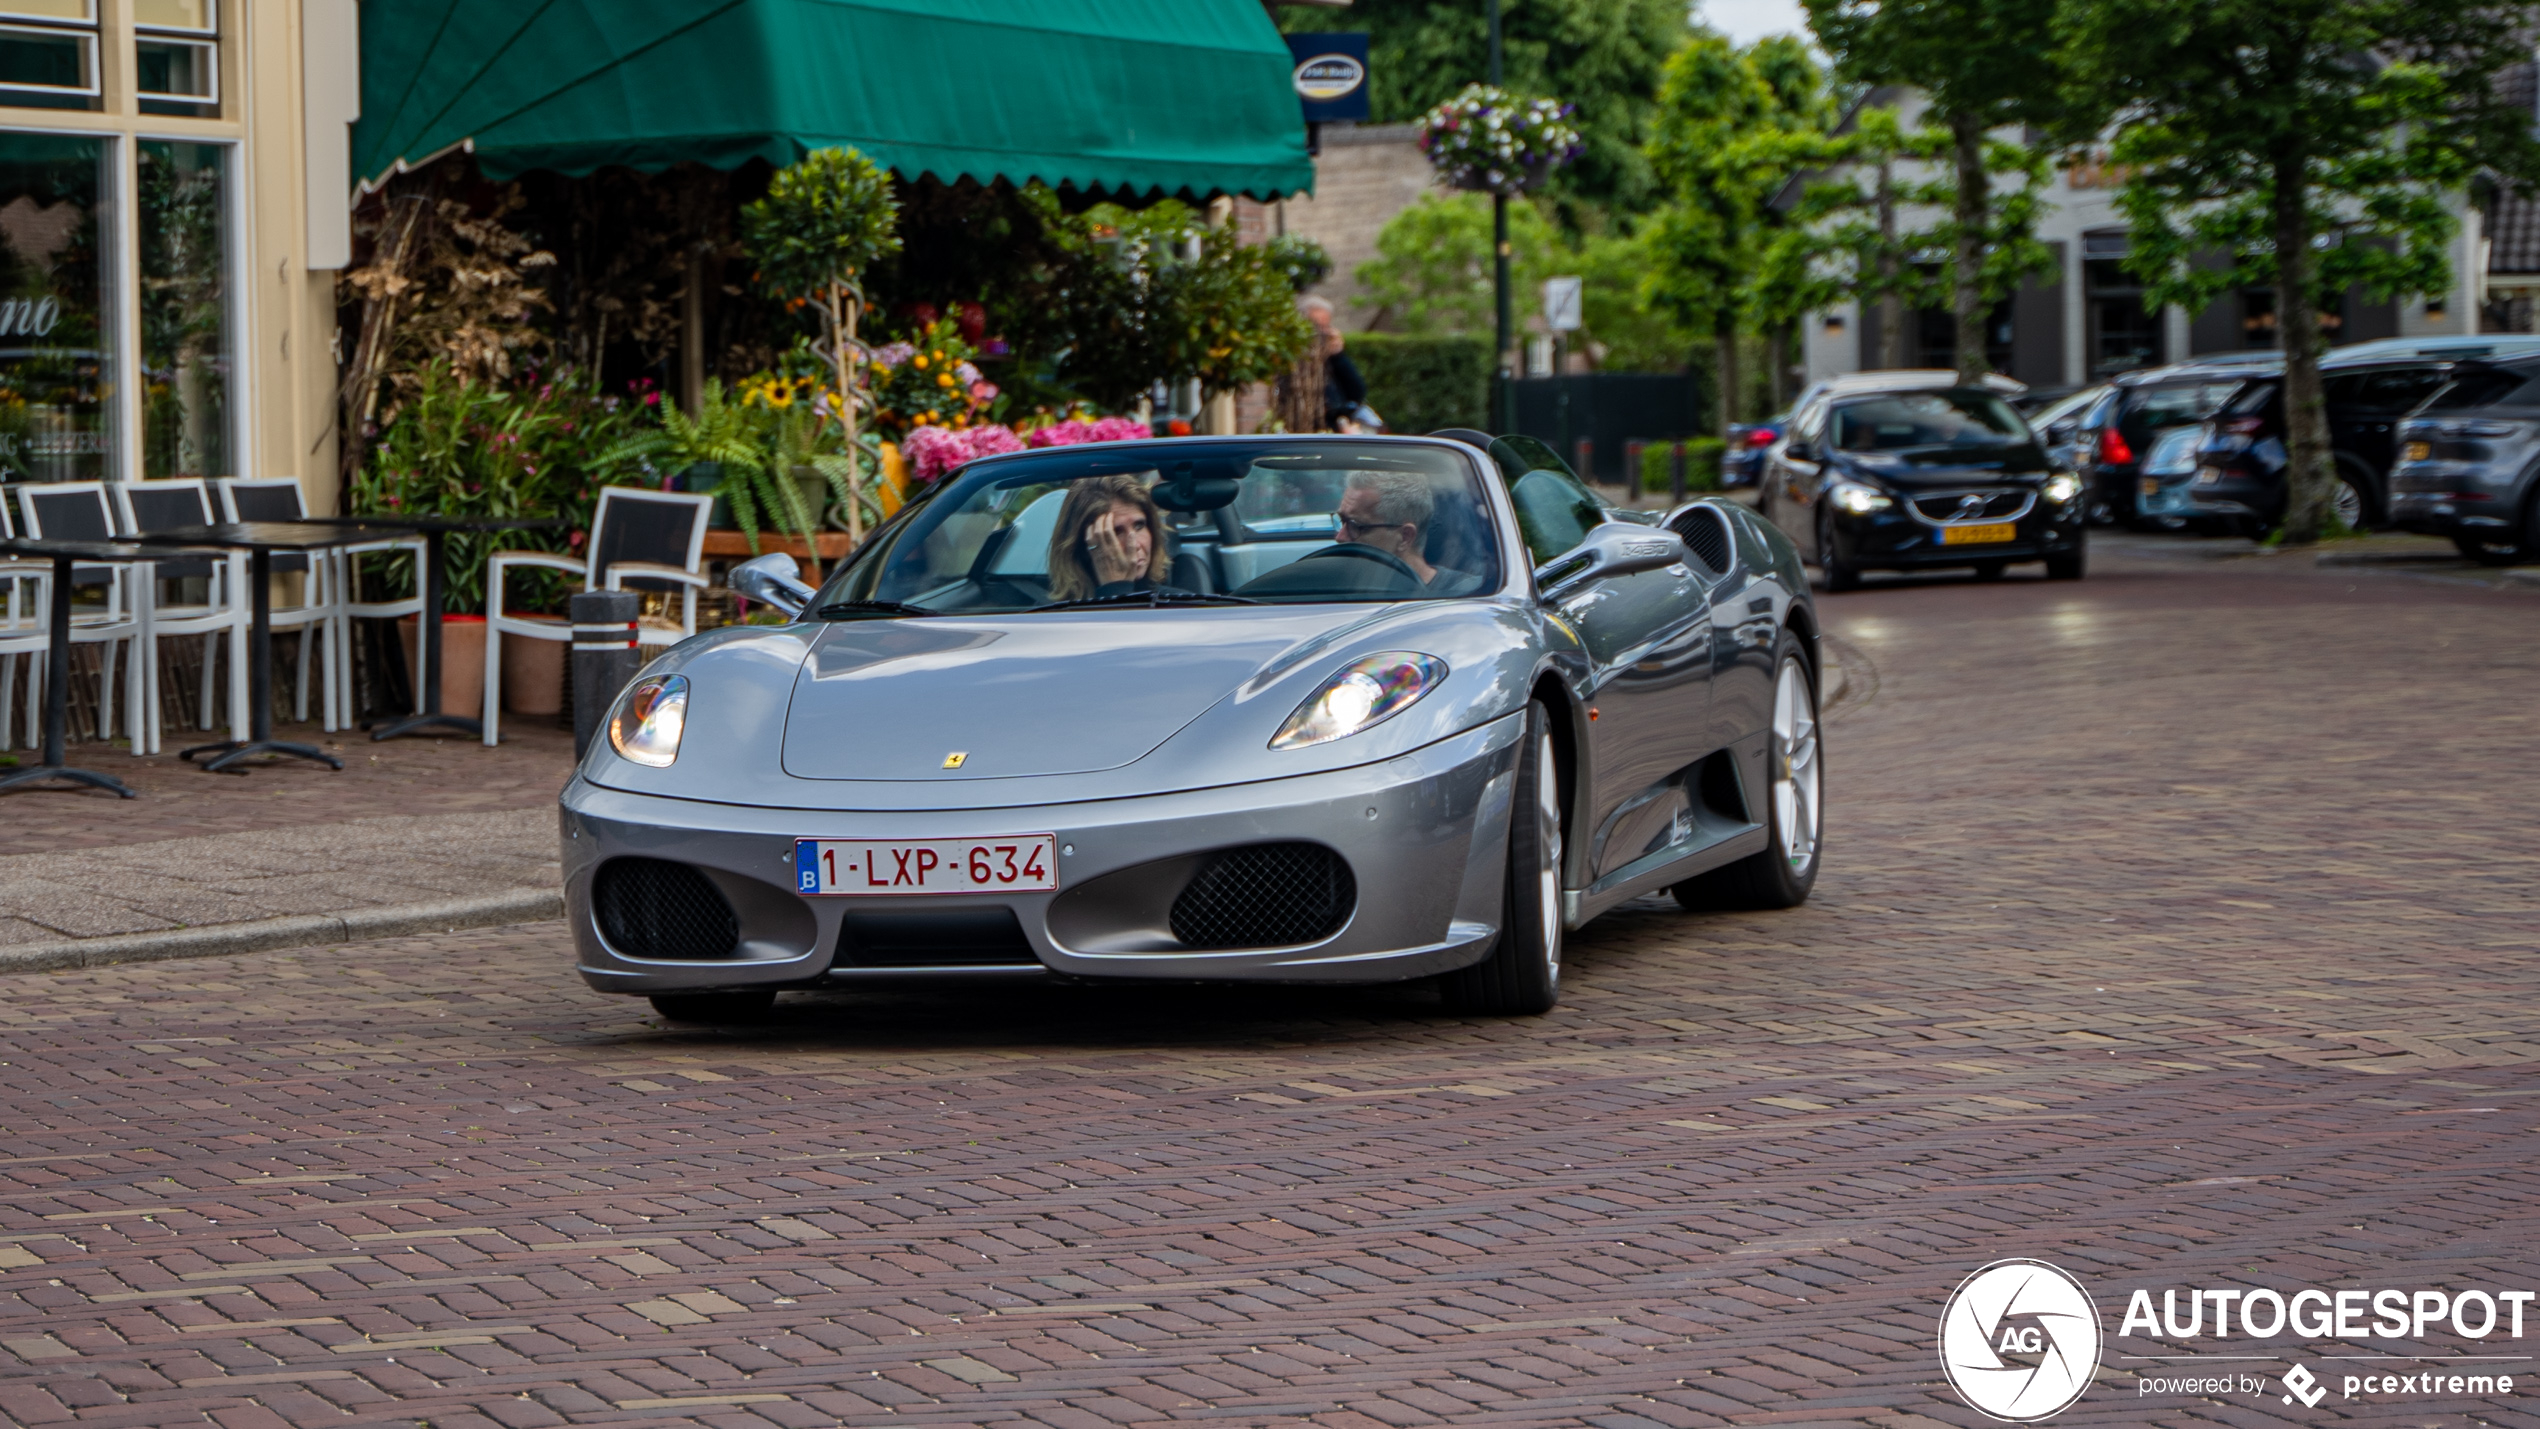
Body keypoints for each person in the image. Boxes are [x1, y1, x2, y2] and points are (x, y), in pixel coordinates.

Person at [1334, 471, 1484, 595]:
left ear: (1405, 537)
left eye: (1355, 526)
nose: (1340, 537)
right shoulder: (1332, 586)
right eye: (1341, 520)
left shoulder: (1464, 595)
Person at [1046, 474, 1174, 601]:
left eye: (1139, 526)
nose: (1135, 544)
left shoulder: (1177, 606)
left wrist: (1116, 588)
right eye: (1116, 531)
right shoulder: (1051, 615)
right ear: (1084, 546)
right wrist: (1115, 588)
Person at [1303, 296, 1378, 433]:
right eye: (1319, 327)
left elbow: (1357, 392)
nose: (1324, 333)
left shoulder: (1331, 360)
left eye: (1327, 326)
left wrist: (1338, 356)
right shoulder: (1298, 366)